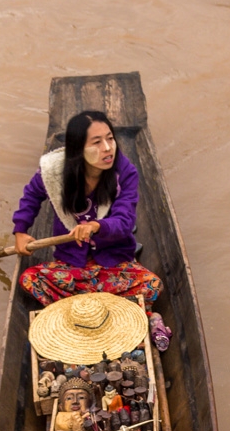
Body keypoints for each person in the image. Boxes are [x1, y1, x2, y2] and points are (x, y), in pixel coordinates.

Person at [12, 110, 171, 345]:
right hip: (72, 265)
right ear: (78, 149)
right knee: (29, 279)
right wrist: (20, 231)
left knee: (152, 285)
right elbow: (31, 197)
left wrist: (97, 226)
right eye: (97, 142)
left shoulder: (125, 173)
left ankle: (81, 313)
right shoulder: (55, 172)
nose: (108, 148)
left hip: (113, 263)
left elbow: (125, 221)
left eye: (110, 138)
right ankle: (107, 311)